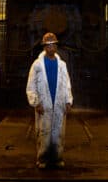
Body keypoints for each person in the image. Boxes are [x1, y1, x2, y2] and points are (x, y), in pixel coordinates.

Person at [26, 32, 73, 169]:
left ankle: (57, 159)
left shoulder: (62, 65)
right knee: (44, 132)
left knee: (58, 133)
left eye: (53, 44)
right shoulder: (37, 65)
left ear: (56, 46)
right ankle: (42, 159)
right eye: (48, 45)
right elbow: (31, 85)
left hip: (59, 104)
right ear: (44, 47)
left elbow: (67, 83)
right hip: (44, 105)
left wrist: (68, 101)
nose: (51, 47)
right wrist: (36, 102)